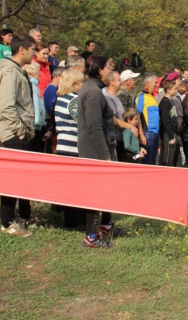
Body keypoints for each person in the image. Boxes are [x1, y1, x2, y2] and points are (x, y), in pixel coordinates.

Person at [0, 34, 36, 237]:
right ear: (22, 50)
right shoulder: (10, 71)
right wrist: (19, 131)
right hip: (13, 133)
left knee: (19, 177)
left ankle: (21, 216)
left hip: (20, 131)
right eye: (32, 50)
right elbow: (6, 105)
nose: (34, 54)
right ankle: (7, 222)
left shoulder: (18, 70)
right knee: (11, 178)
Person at [78, 55, 119, 248]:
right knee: (95, 193)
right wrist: (106, 156)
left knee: (106, 191)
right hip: (95, 152)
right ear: (100, 70)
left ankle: (106, 225)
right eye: (108, 68)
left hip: (101, 149)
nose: (110, 72)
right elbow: (94, 128)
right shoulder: (93, 92)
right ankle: (91, 237)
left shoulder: (95, 89)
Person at [54, 68, 86, 229]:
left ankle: (72, 219)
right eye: (81, 82)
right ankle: (76, 221)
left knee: (68, 185)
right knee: (76, 186)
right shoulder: (74, 100)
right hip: (73, 146)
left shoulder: (60, 99)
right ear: (74, 84)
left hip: (62, 145)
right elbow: (83, 123)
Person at [104, 71, 138, 161]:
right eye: (119, 80)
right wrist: (131, 126)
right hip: (114, 139)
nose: (121, 82)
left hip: (121, 138)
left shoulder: (116, 98)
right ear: (112, 82)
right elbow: (114, 120)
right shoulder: (108, 98)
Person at [23, 61, 51, 154]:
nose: (39, 74)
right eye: (38, 71)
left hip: (37, 124)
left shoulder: (35, 86)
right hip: (34, 125)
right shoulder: (30, 85)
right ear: (31, 73)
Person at [136, 75, 160, 165]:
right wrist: (141, 135)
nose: (157, 85)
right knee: (147, 160)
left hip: (156, 134)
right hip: (147, 133)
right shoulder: (141, 97)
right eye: (155, 82)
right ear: (147, 83)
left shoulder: (152, 97)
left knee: (153, 160)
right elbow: (137, 116)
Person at [159, 81, 181, 167]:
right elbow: (165, 120)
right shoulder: (165, 102)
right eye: (175, 89)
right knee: (168, 158)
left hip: (173, 131)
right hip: (167, 133)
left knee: (173, 157)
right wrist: (171, 136)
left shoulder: (170, 101)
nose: (176, 90)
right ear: (168, 90)